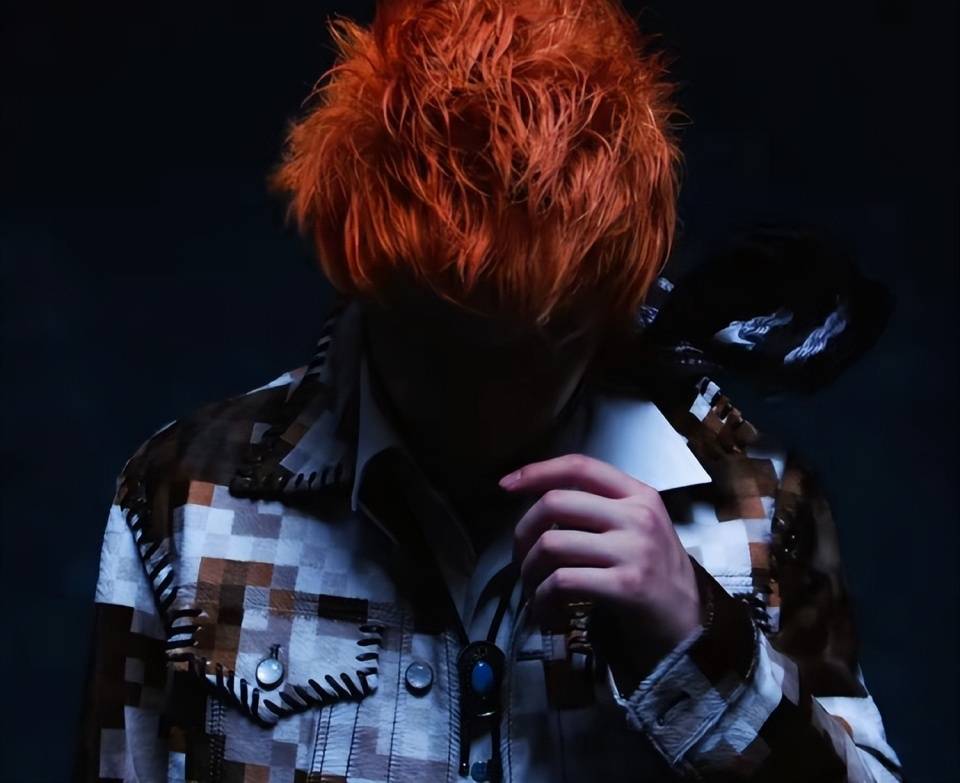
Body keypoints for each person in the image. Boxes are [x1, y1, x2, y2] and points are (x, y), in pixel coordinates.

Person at [75, 0, 903, 780]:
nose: (484, 402)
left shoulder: (758, 506)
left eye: (540, 348)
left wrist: (700, 640)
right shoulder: (186, 497)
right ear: (367, 279)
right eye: (437, 343)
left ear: (610, 307)